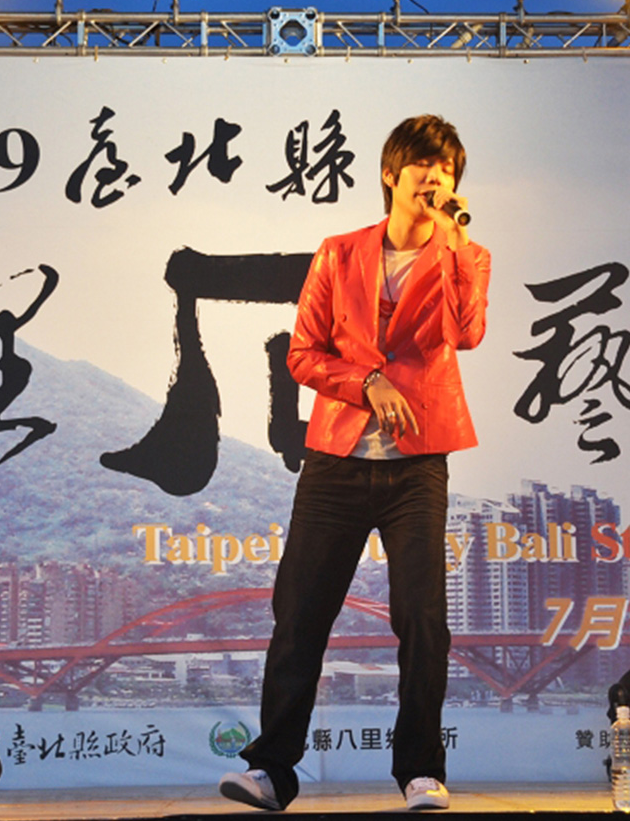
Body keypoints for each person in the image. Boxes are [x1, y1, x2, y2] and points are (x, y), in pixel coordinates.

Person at [219, 114, 491, 812]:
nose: (435, 178)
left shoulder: (465, 255)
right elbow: (302, 354)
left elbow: (467, 332)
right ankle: (272, 771)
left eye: (447, 169)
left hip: (416, 467)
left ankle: (421, 772)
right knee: (300, 616)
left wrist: (457, 244)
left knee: (423, 620)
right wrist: (366, 382)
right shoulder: (339, 254)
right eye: (423, 165)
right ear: (391, 175)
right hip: (335, 464)